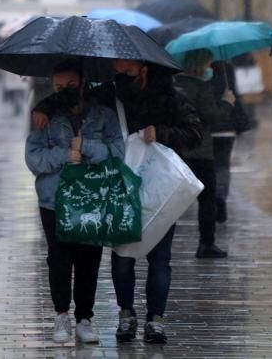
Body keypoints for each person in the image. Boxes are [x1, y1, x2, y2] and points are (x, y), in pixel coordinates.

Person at [33, 59, 203, 345]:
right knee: (122, 258)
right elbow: (75, 98)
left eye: (125, 70)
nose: (119, 74)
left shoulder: (173, 97)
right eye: (117, 71)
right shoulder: (112, 95)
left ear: (143, 68)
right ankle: (126, 314)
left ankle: (155, 320)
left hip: (159, 186)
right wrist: (44, 107)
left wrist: (161, 133)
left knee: (160, 258)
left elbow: (195, 132)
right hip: (117, 186)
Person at [25, 59, 124, 345]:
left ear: (82, 83)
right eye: (57, 87)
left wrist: (88, 148)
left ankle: (84, 318)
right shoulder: (44, 115)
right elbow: (33, 156)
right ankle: (61, 315)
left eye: (69, 85)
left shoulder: (103, 114)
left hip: (92, 195)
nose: (63, 91)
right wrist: (65, 155)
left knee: (88, 258)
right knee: (58, 258)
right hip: (53, 199)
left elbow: (118, 151)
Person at [174, 49, 235, 260]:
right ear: (201, 63)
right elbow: (213, 116)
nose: (210, 67)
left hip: (176, 149)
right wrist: (227, 102)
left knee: (171, 199)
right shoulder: (200, 87)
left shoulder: (172, 84)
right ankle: (206, 244)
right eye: (208, 63)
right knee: (207, 198)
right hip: (199, 150)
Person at [210, 61, 249, 223]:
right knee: (223, 164)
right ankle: (221, 197)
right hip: (227, 126)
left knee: (208, 167)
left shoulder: (196, 70)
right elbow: (235, 95)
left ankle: (210, 199)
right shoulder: (227, 68)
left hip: (207, 128)